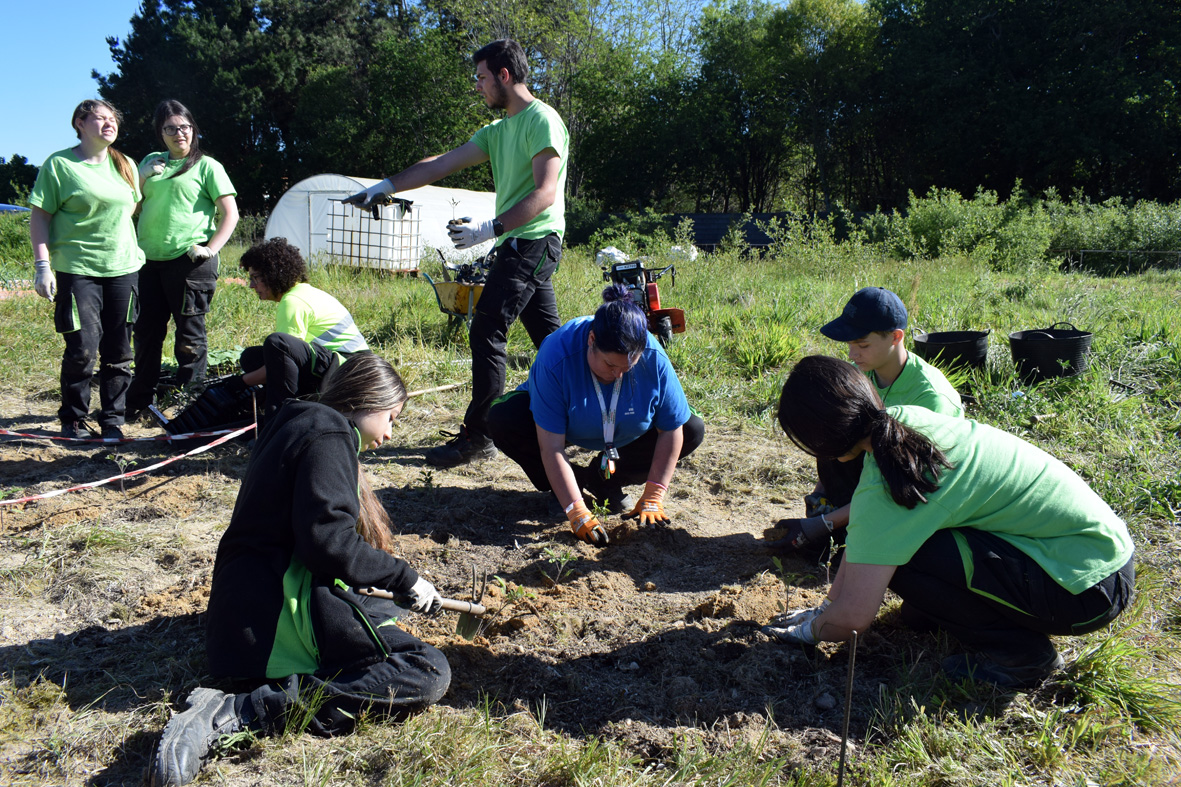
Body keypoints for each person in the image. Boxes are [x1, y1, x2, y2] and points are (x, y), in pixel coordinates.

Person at [151, 353, 451, 787]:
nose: (389, 433)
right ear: (369, 399)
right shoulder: (329, 432)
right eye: (391, 417)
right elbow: (328, 542)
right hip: (273, 615)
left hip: (246, 610)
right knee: (425, 670)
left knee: (382, 617)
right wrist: (404, 577)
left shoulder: (299, 421)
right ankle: (242, 710)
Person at [765, 355, 1135, 690]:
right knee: (911, 576)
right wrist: (826, 607)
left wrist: (810, 631)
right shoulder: (903, 425)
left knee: (908, 563)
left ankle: (1023, 657)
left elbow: (854, 620)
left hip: (1087, 589)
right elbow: (865, 539)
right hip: (1094, 553)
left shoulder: (891, 488)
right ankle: (963, 614)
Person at [343, 38, 569, 468]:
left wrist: (490, 227)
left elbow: (545, 193)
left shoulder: (543, 120)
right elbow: (439, 164)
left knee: (486, 330)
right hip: (516, 242)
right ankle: (585, 409)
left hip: (534, 240)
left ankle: (480, 435)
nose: (478, 87)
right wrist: (384, 186)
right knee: (554, 342)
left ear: (504, 75)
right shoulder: (498, 131)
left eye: (482, 78)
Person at [486, 285, 705, 546]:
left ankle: (604, 481)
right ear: (591, 340)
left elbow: (671, 430)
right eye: (610, 365)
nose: (617, 375)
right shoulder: (556, 355)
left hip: (625, 430)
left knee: (691, 428)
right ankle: (570, 488)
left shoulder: (653, 356)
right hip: (568, 425)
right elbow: (551, 447)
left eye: (628, 367)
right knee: (502, 418)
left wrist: (653, 495)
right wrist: (576, 512)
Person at [768, 287, 963, 559]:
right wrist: (820, 494)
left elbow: (911, 482)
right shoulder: (865, 373)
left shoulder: (930, 399)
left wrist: (824, 524)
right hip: (869, 479)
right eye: (848, 345)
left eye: (862, 345)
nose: (851, 354)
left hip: (914, 497)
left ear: (896, 337)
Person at [28, 99, 145, 440]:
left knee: (120, 350)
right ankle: (74, 420)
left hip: (123, 268)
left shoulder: (125, 164)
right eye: (101, 118)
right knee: (82, 348)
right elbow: (40, 216)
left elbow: (130, 206)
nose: (110, 124)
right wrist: (42, 266)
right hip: (77, 269)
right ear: (80, 123)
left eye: (113, 119)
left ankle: (113, 421)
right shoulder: (59, 165)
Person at [126, 99, 239, 417]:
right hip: (148, 262)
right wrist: (142, 178)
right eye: (171, 128)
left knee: (189, 335)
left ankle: (189, 404)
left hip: (190, 262)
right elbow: (131, 208)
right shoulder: (150, 162)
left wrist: (211, 249)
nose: (179, 134)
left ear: (194, 130)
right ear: (160, 133)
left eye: (185, 127)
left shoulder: (208, 167)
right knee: (146, 333)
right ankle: (139, 403)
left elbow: (230, 213)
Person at [229, 237, 369, 422]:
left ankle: (280, 418)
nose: (252, 286)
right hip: (356, 366)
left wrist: (241, 382)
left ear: (273, 275)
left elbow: (280, 359)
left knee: (276, 346)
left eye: (255, 278)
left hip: (350, 373)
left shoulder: (293, 302)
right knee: (252, 357)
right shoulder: (304, 292)